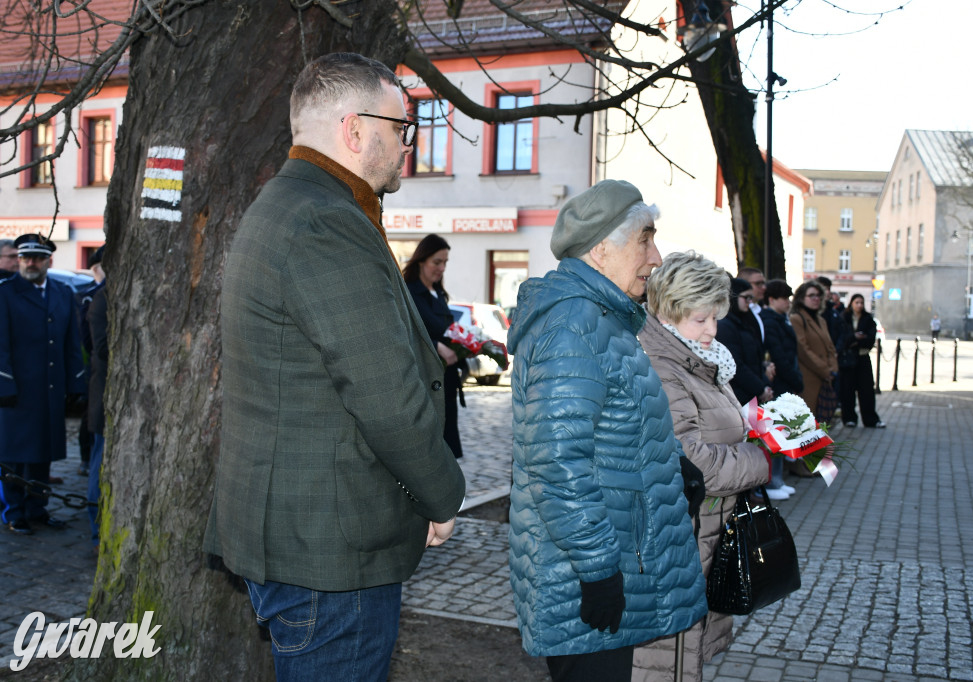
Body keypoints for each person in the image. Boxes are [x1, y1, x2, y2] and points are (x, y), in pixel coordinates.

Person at [203, 53, 466, 682]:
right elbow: (386, 396)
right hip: (328, 549)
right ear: (354, 130)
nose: (407, 144)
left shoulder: (291, 202)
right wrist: (441, 495)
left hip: (302, 536)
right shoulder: (325, 219)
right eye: (400, 128)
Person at [507, 180, 707, 682]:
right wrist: (597, 570)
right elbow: (556, 460)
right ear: (600, 248)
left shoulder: (603, 318)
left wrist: (668, 464)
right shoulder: (575, 324)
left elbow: (608, 426)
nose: (656, 256)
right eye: (645, 238)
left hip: (608, 554)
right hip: (584, 570)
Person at [638, 250, 772, 682]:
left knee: (681, 662)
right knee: (663, 663)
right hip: (679, 543)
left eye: (716, 317)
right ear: (667, 312)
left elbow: (717, 431)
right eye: (701, 319)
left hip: (706, 537)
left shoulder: (701, 361)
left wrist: (770, 431)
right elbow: (695, 464)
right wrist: (762, 457)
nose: (712, 330)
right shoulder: (664, 367)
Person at [0, 233, 86, 535]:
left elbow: (70, 343)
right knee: (12, 454)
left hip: (49, 388)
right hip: (17, 390)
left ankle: (37, 508)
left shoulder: (62, 292)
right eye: (25, 257)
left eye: (37, 258)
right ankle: (14, 512)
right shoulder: (6, 293)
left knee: (42, 452)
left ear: (49, 260)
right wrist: (4, 385)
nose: (30, 263)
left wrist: (77, 383)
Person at [403, 234, 463, 458]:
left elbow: (446, 329)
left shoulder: (439, 294)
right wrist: (437, 346)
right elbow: (407, 330)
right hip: (426, 381)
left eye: (445, 262)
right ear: (421, 260)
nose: (442, 268)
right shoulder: (408, 293)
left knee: (447, 448)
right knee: (430, 449)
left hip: (447, 380)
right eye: (437, 262)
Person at [759, 279, 803, 498]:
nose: (787, 302)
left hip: (785, 381)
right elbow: (779, 354)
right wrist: (794, 378)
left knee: (782, 432)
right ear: (772, 299)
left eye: (788, 298)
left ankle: (777, 479)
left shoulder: (780, 319)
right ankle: (772, 482)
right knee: (774, 434)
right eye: (783, 298)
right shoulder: (770, 321)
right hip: (778, 382)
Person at [715, 277, 774, 407]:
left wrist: (764, 385)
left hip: (750, 394)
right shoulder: (725, 325)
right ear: (733, 296)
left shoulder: (744, 321)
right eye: (746, 297)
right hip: (739, 396)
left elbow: (755, 360)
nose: (749, 302)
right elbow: (736, 364)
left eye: (751, 298)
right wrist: (760, 388)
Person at [790, 280, 839, 426]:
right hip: (809, 377)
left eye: (818, 295)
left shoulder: (821, 320)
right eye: (811, 295)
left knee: (821, 422)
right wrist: (825, 370)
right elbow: (803, 349)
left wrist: (833, 368)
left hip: (825, 377)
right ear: (801, 298)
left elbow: (830, 347)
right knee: (807, 422)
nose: (816, 299)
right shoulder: (797, 318)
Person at [85, 247, 108, 551]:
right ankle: (95, 531)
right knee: (99, 464)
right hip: (105, 398)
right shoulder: (102, 299)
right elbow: (101, 348)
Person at [838, 294, 885, 428]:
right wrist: (854, 338)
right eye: (857, 302)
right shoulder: (844, 317)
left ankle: (870, 419)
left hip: (863, 357)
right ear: (851, 303)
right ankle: (849, 418)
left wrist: (857, 340)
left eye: (861, 303)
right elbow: (843, 339)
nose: (859, 305)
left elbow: (870, 340)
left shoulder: (868, 319)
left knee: (866, 389)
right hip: (848, 359)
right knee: (847, 389)